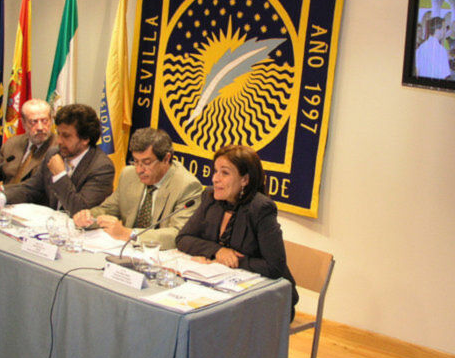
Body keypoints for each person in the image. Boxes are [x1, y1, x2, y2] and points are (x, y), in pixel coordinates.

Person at [176, 144, 298, 318]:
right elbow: (183, 238)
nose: (215, 179)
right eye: (215, 171)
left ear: (245, 180)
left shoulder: (261, 208)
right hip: (223, 289)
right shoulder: (211, 197)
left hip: (268, 302)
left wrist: (230, 261)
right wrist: (218, 251)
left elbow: (274, 267)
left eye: (224, 173)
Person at [73, 128, 202, 249]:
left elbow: (178, 234)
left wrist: (129, 234)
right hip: (125, 251)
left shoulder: (187, 186)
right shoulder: (128, 175)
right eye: (135, 161)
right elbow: (108, 209)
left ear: (166, 158)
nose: (139, 170)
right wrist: (88, 217)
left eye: (146, 163)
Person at [0, 104, 114, 216]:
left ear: (85, 139)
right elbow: (32, 189)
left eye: (66, 136)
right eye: (58, 134)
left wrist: (60, 175)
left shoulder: (102, 167)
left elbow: (79, 209)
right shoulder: (53, 153)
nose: (59, 141)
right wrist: (0, 197)